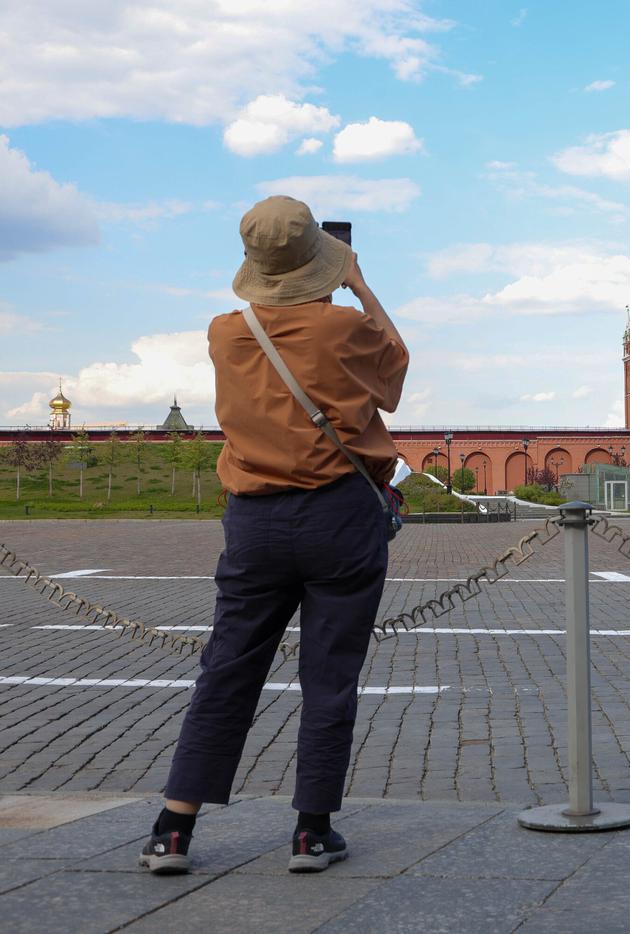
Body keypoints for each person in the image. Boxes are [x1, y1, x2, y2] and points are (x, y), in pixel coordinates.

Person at [139, 196, 409, 874]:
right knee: (329, 674)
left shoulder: (225, 333)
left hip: (254, 520)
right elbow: (395, 370)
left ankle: (173, 828)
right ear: (322, 259)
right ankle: (311, 832)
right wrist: (357, 280)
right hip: (339, 514)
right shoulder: (343, 328)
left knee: (227, 669)